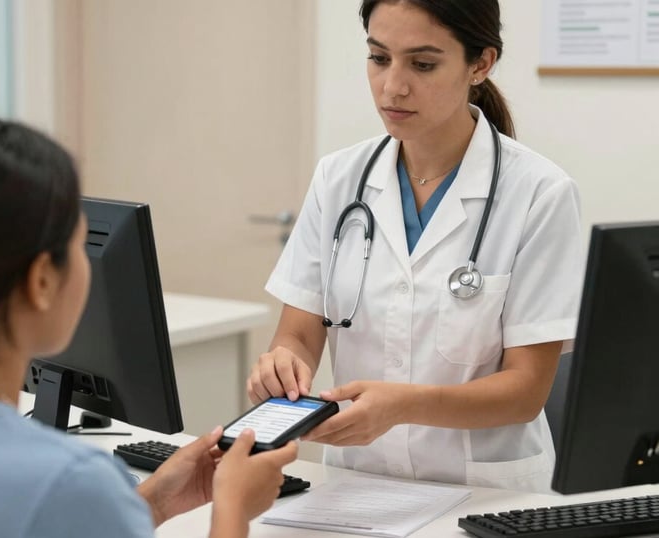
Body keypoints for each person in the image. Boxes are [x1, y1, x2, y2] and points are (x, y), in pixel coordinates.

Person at [0, 119, 297, 538]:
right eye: (80, 243)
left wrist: (153, 502)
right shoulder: (68, 482)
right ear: (42, 281)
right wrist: (233, 510)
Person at [247, 0, 582, 493]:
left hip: (485, 497)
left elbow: (525, 392)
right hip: (354, 487)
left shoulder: (539, 193)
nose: (393, 86)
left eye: (422, 64)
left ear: (481, 64)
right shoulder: (338, 179)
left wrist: (402, 406)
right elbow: (297, 334)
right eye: (379, 58)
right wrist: (282, 365)